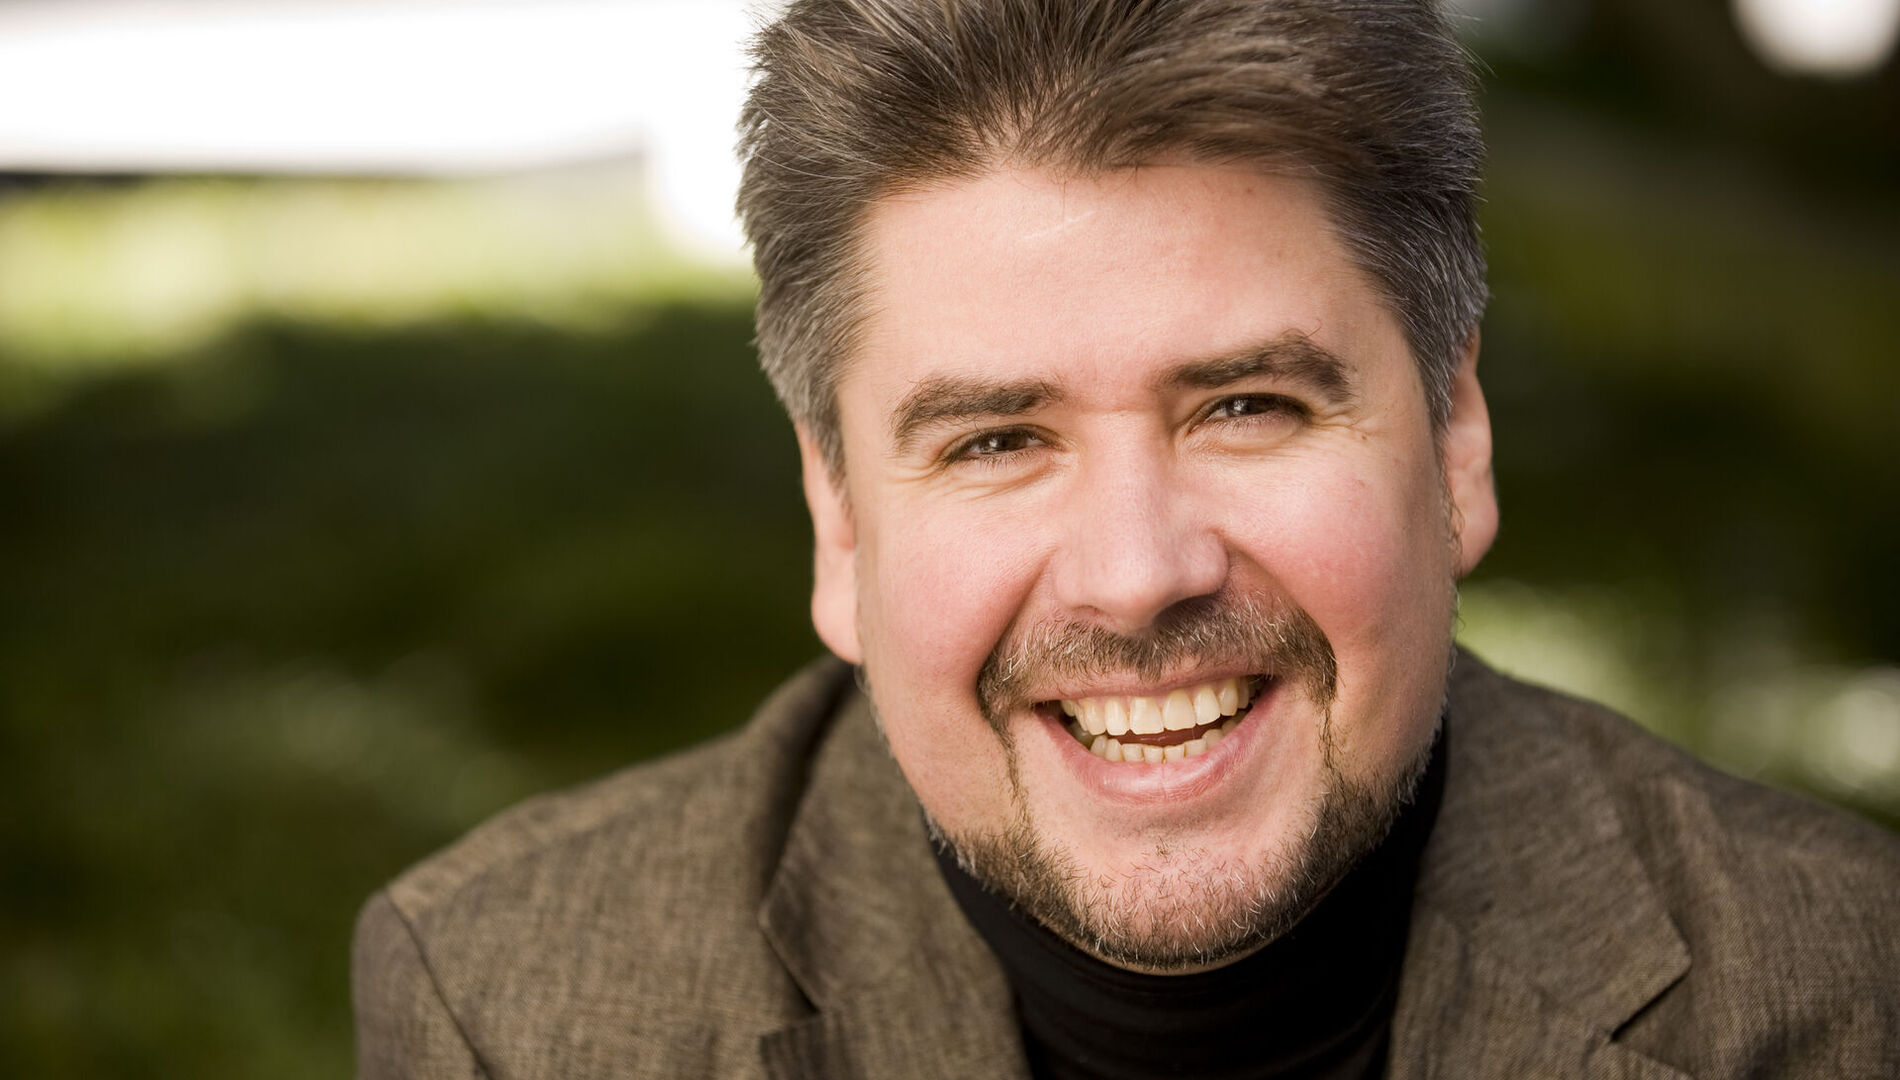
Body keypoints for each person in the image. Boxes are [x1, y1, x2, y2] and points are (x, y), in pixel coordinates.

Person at [351, 2, 1900, 1077]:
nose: (1138, 573)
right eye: (996, 441)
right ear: (840, 521)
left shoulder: (1844, 990)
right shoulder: (516, 1005)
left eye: (1246, 407)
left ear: (1455, 443)